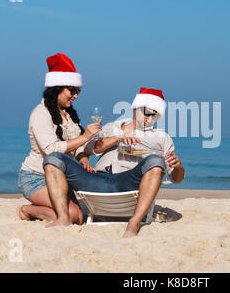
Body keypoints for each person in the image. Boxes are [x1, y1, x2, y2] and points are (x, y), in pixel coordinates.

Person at [42, 88, 186, 237]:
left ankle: (133, 224)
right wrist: (119, 138)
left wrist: (178, 167)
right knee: (54, 158)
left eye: (155, 115)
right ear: (135, 108)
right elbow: (92, 149)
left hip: (128, 182)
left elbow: (177, 179)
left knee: (155, 161)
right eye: (146, 112)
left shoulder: (161, 137)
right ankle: (63, 218)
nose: (149, 118)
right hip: (97, 179)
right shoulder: (112, 127)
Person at [17, 53, 101, 224]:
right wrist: (85, 137)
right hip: (35, 177)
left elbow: (76, 146)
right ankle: (26, 210)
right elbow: (52, 151)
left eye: (78, 91)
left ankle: (46, 208)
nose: (76, 96)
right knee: (72, 216)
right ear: (57, 88)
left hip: (60, 178)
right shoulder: (40, 114)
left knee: (79, 217)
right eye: (73, 90)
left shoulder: (69, 114)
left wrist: (83, 158)